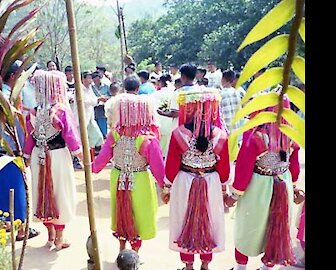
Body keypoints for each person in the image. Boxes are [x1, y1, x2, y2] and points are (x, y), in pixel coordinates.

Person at [225, 95, 301, 270]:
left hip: (258, 187)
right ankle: (267, 267)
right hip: (284, 183)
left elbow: (244, 168)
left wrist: (235, 194)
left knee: (248, 225)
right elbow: (294, 166)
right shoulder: (291, 134)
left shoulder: (255, 135)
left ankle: (240, 267)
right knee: (276, 225)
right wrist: (294, 186)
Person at [92, 76, 165, 256]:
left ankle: (122, 249)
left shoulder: (114, 135)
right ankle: (135, 254)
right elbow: (158, 168)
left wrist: (91, 168)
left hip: (118, 177)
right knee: (139, 215)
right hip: (139, 179)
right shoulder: (148, 139)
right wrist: (166, 186)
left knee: (120, 213)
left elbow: (101, 160)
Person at [163, 88, 230, 270]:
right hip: (211, 182)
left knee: (183, 220)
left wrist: (167, 187)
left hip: (184, 181)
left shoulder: (179, 134)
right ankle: (206, 265)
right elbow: (224, 169)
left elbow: (171, 166)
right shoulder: (220, 136)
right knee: (209, 220)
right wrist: (224, 189)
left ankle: (188, 265)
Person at [23, 70, 83, 251]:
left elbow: (29, 139)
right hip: (57, 156)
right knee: (60, 194)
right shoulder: (61, 111)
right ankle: (59, 238)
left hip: (38, 157)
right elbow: (71, 137)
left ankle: (49, 236)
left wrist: (26, 157)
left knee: (42, 193)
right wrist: (81, 157)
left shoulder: (32, 113)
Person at [0, 63, 40, 240]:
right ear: (12, 76)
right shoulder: (10, 96)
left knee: (1, 189)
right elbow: (18, 126)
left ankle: (6, 222)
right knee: (17, 190)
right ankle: (23, 229)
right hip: (10, 151)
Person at [151, 74, 177, 158]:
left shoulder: (155, 94)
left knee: (159, 150)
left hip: (159, 124)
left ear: (161, 82)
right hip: (172, 124)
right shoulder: (175, 93)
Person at [219, 70, 242, 134]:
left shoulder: (220, 94)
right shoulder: (237, 93)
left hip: (225, 130)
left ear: (223, 79)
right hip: (236, 129)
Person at [91, 71, 110, 138]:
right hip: (95, 109)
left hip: (103, 109)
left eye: (97, 80)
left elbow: (111, 96)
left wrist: (106, 99)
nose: (96, 81)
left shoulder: (106, 86)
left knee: (103, 124)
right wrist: (98, 99)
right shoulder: (91, 88)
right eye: (95, 80)